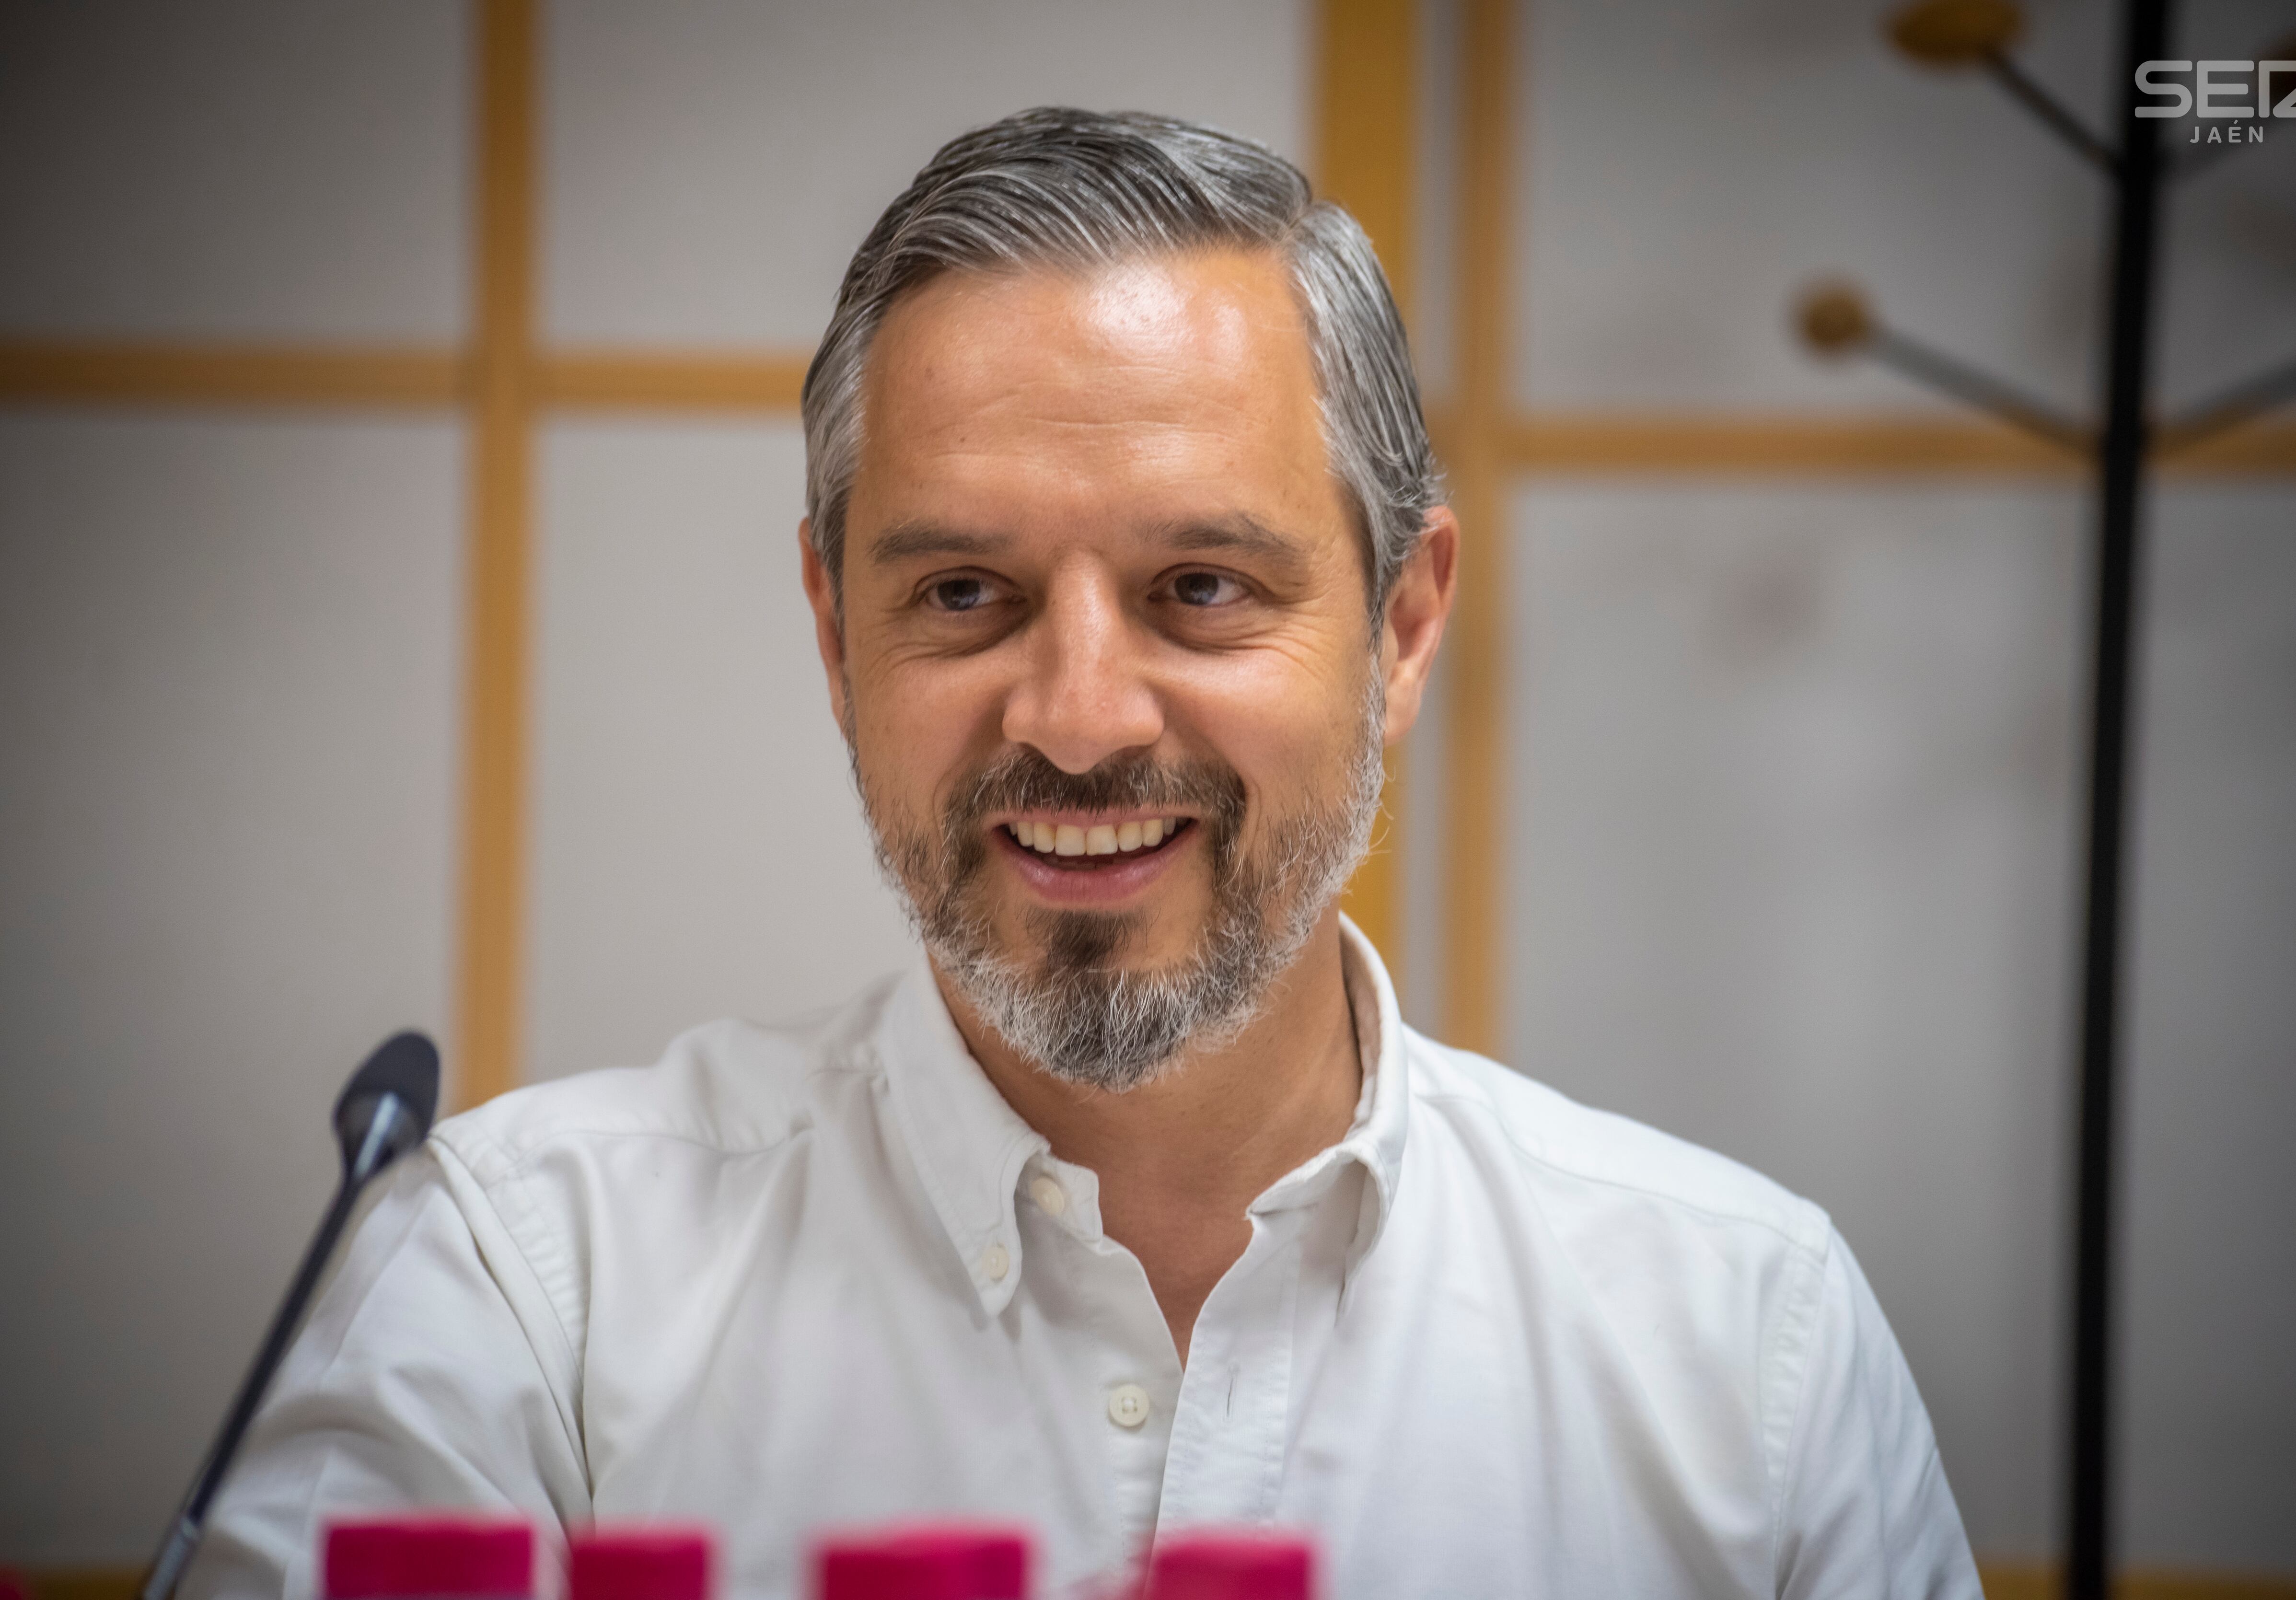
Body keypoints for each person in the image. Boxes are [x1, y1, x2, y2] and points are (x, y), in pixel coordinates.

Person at [190, 109, 1978, 1600]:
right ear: (836, 637)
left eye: (1203, 588)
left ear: (1406, 625)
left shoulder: (1751, 1339)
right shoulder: (523, 1290)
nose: (1079, 714)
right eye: (962, 594)